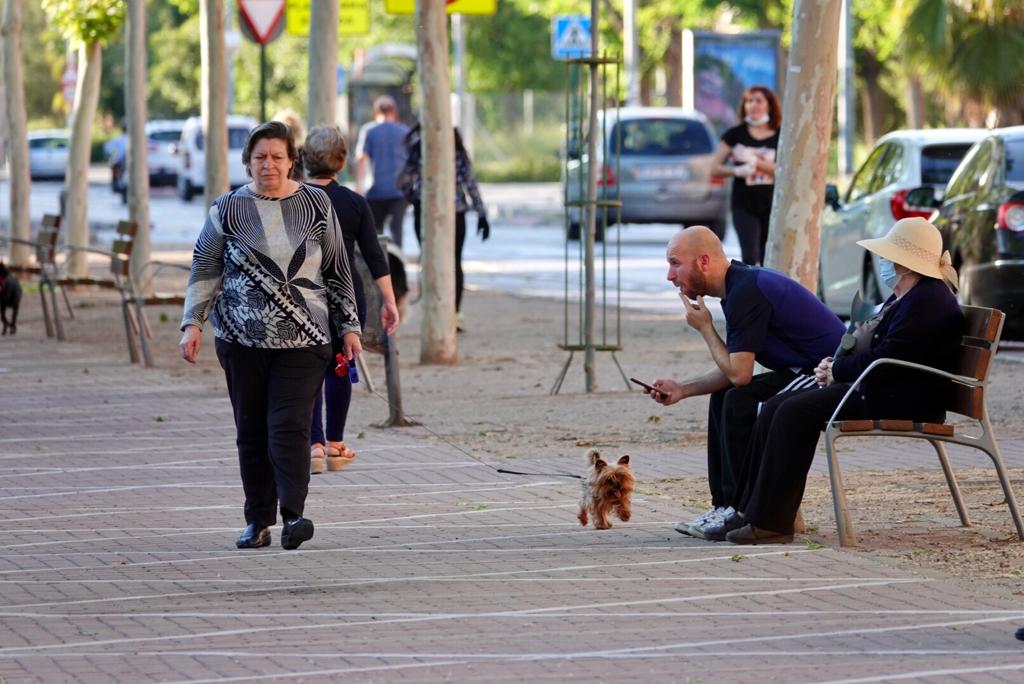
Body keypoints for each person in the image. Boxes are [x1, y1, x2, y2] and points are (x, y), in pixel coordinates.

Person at [717, 217, 964, 544]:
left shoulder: (927, 300)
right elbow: (881, 351)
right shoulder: (910, 294)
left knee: (793, 412)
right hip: (887, 388)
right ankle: (752, 511)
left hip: (905, 397)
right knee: (780, 405)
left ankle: (771, 523)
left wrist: (838, 372)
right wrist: (836, 365)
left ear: (905, 263)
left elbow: (889, 358)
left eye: (889, 256)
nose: (885, 263)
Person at [178, 121, 362, 551]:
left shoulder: (316, 205)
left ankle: (294, 515)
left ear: (292, 161)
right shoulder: (227, 209)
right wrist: (193, 323)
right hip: (242, 342)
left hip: (305, 339)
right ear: (247, 162)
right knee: (251, 430)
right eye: (260, 157)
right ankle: (257, 520)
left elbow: (337, 269)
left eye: (278, 157)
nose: (269, 165)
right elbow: (205, 267)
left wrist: (349, 326)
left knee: (288, 425)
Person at [647, 226, 844, 539]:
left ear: (703, 262)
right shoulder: (736, 286)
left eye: (675, 263)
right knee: (725, 396)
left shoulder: (745, 291)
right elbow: (735, 369)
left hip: (830, 375)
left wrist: (705, 328)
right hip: (800, 370)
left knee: (741, 398)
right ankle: (725, 505)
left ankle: (741, 511)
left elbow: (740, 375)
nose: (670, 276)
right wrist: (683, 389)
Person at [299, 125, 400, 474]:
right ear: (341, 162)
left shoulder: (292, 200)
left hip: (302, 294)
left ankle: (312, 445)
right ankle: (335, 444)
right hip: (347, 296)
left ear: (303, 159)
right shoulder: (355, 203)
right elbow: (375, 257)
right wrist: (389, 302)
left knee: (307, 367)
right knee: (339, 366)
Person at [399, 124, 490, 330]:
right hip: (454, 213)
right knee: (454, 262)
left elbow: (403, 179)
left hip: (426, 213)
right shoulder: (456, 152)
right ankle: (453, 314)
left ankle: (436, 312)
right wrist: (481, 213)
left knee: (430, 262)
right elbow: (471, 184)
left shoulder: (420, 149)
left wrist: (414, 198)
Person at [710, 86, 781, 266]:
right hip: (744, 205)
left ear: (769, 105)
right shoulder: (735, 135)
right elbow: (714, 168)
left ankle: (767, 292)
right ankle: (751, 292)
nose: (753, 105)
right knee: (750, 255)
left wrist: (754, 161)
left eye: (758, 101)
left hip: (772, 204)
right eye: (749, 101)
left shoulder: (781, 135)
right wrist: (735, 171)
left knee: (768, 256)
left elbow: (782, 171)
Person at [355, 95, 409, 250]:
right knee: (397, 232)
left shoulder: (369, 131)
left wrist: (359, 186)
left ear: (376, 111)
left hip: (376, 190)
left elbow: (361, 159)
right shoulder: (404, 132)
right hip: (399, 191)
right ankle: (397, 267)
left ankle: (378, 269)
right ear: (394, 111)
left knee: (375, 233)